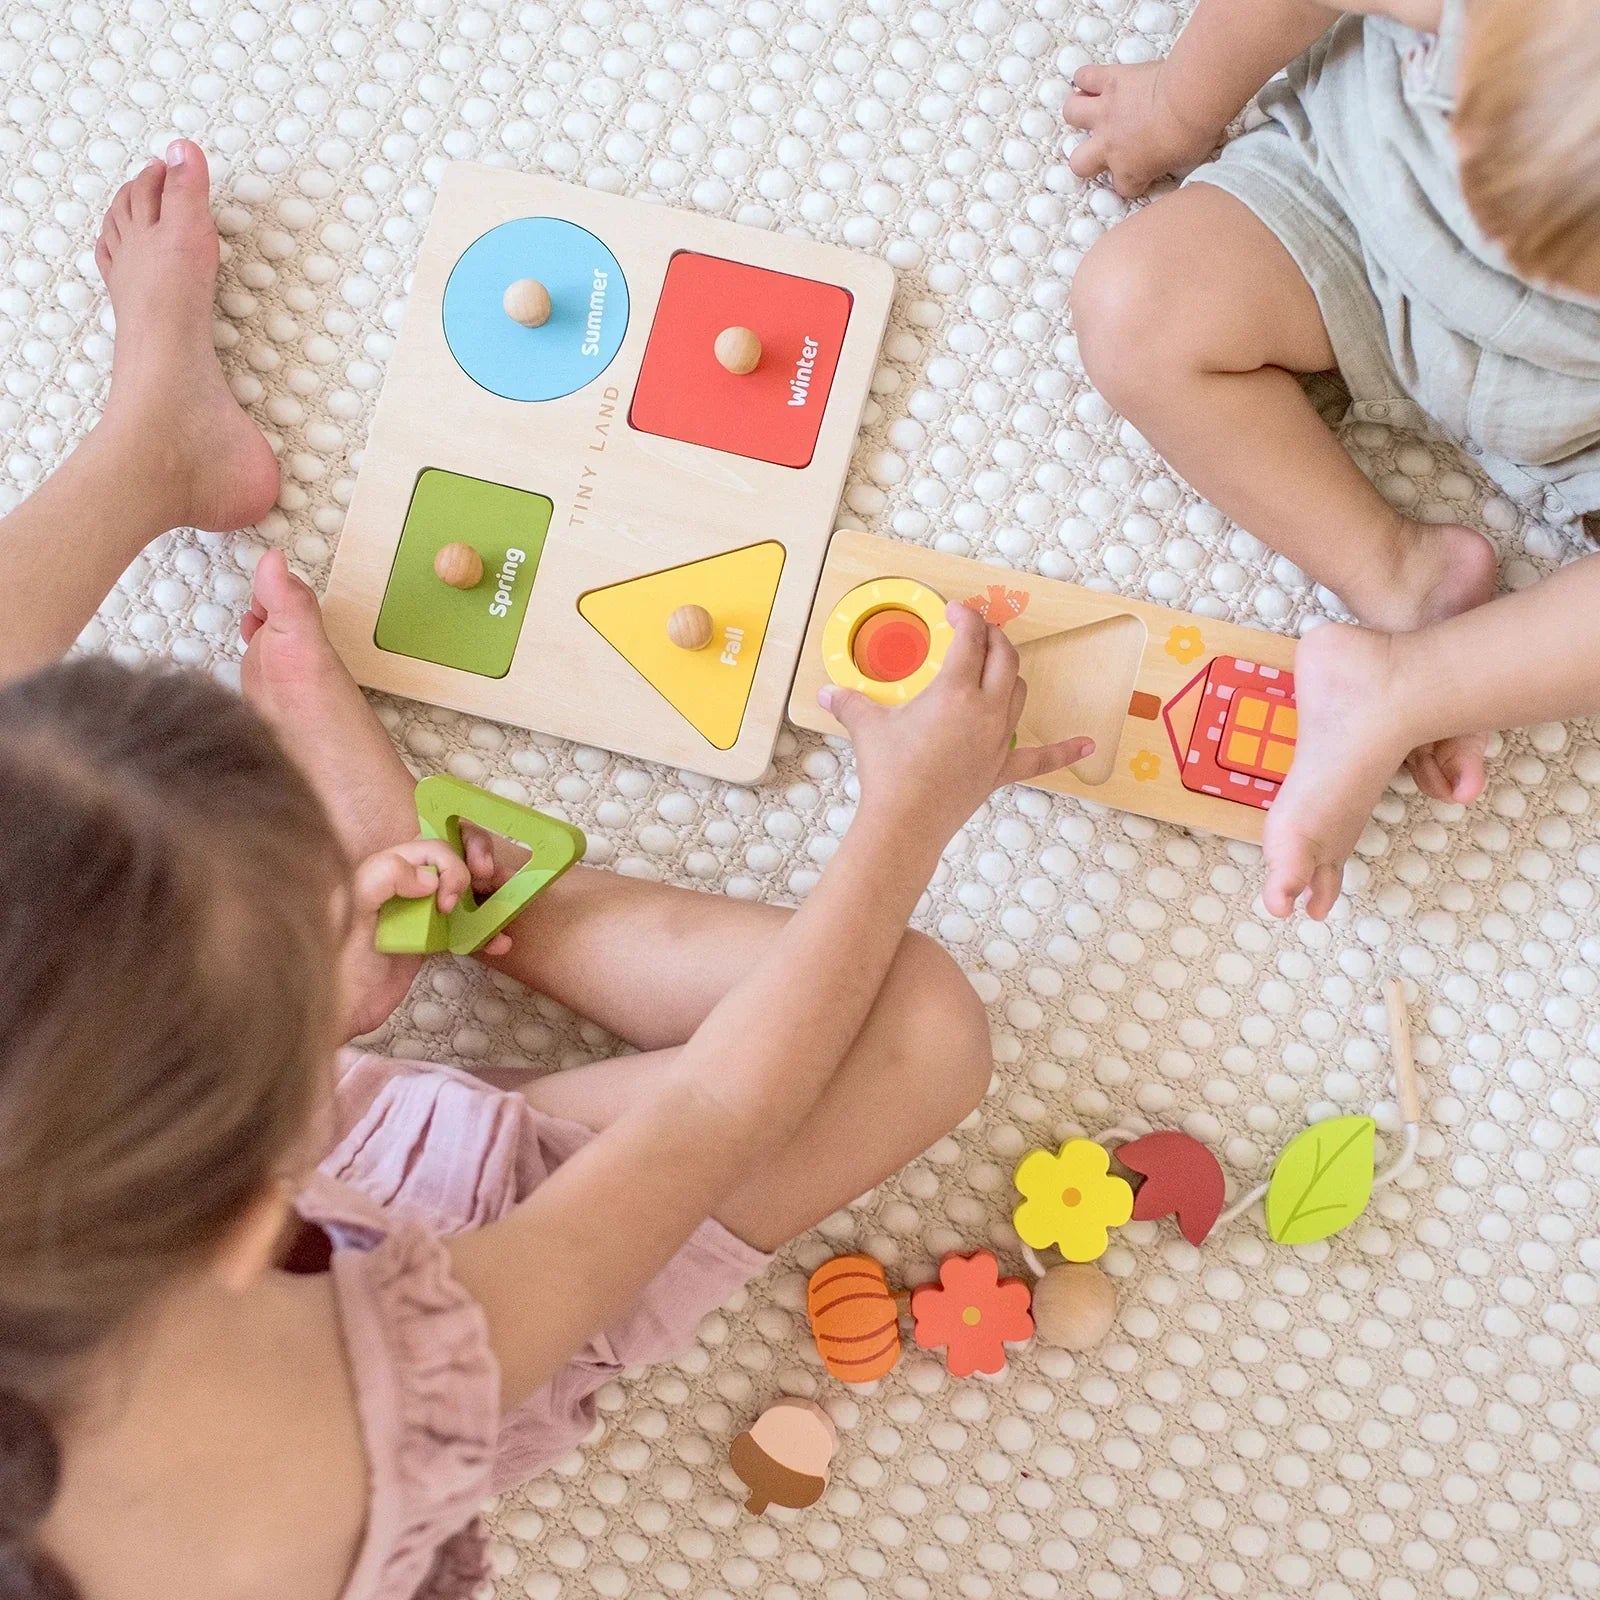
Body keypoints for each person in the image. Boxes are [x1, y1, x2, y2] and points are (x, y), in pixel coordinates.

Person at [0, 144, 1092, 1598]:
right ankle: (502, 905)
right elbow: (712, 1107)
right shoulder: (359, 1410)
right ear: (271, 1176)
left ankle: (153, 446)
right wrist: (907, 813)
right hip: (449, 1267)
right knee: (922, 1029)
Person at [1064, 0, 1600, 917]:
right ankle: (1395, 570)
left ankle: (1404, 685)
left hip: (1569, 397)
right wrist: (1174, 109)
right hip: (1360, 203)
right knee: (1130, 308)